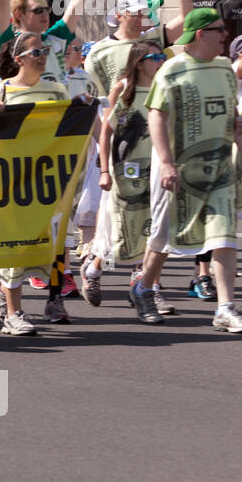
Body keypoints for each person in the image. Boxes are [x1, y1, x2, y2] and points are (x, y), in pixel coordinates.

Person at [132, 7, 242, 332]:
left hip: (218, 167)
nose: (225, 36)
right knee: (163, 236)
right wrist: (167, 162)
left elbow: (229, 115)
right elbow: (155, 116)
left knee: (224, 237)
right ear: (201, 34)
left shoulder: (226, 70)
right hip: (176, 170)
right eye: (220, 30)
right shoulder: (171, 71)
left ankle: (225, 308)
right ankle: (145, 287)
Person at [0, 31, 77, 334]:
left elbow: (71, 128)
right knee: (15, 246)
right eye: (37, 52)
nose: (43, 55)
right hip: (12, 180)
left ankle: (48, 298)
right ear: (19, 58)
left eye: (46, 50)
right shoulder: (1, 91)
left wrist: (84, 106)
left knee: (52, 242)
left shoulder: (57, 90)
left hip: (47, 179)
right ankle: (14, 313)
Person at [86, 41, 168, 308]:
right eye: (154, 57)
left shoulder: (163, 88)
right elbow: (107, 132)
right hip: (125, 166)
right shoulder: (122, 89)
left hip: (155, 166)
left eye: (161, 56)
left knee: (154, 226)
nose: (160, 61)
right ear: (139, 62)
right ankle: (94, 270)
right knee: (118, 228)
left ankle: (147, 286)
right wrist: (105, 170)